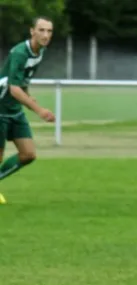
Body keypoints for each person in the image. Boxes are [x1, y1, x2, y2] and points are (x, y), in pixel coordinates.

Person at [0, 16, 55, 204]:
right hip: (0, 109)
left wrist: (28, 95)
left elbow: (22, 82)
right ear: (32, 31)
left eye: (49, 31)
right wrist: (38, 110)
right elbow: (13, 88)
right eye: (41, 30)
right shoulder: (20, 52)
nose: (46, 35)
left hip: (14, 109)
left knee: (28, 154)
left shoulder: (40, 52)